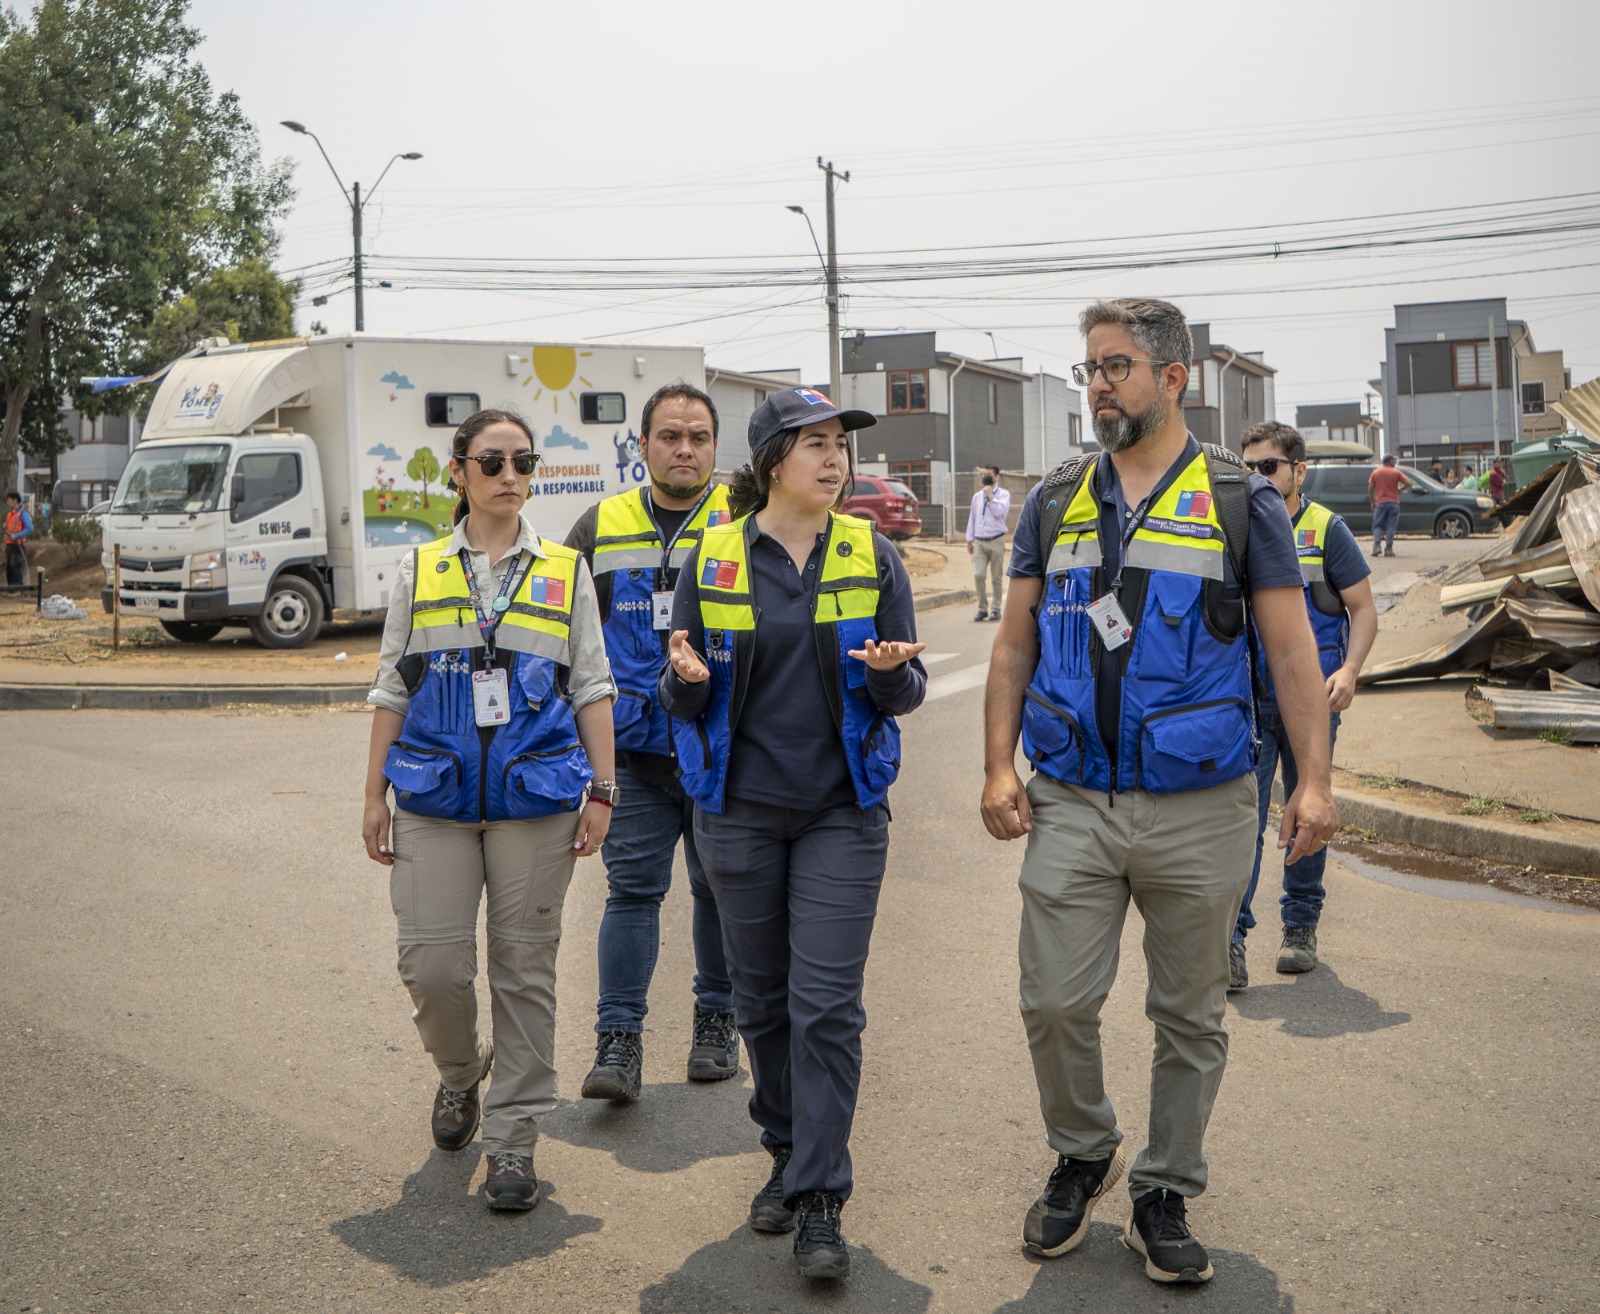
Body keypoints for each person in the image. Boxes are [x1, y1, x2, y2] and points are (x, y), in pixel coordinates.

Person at [981, 298, 1336, 1286]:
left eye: (1118, 366)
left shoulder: (1239, 500)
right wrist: (997, 765)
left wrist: (1314, 781)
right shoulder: (1053, 498)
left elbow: (1291, 648)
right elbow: (1010, 644)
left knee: (1189, 1015)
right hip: (1074, 800)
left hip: (1202, 804)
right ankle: (1083, 1149)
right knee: (1053, 1000)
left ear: (1173, 379)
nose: (1098, 383)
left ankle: (1164, 1187)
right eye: (1090, 366)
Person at [660, 387, 927, 1282]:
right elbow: (682, 688)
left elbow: (905, 687)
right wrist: (687, 680)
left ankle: (820, 1196)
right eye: (815, 444)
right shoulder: (714, 555)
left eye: (839, 447)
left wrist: (893, 678)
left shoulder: (872, 554)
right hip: (736, 812)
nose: (835, 459)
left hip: (840, 814)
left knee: (826, 1006)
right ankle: (782, 1146)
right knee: (763, 1003)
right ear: (774, 458)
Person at [362, 408, 617, 1212]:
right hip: (434, 796)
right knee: (432, 965)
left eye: (522, 462)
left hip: (535, 800)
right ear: (459, 472)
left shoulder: (567, 570)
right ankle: (459, 1076)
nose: (511, 476)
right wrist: (372, 793)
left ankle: (513, 1144)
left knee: (524, 971)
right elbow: (390, 685)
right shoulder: (421, 567)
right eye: (493, 462)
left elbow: (593, 685)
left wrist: (602, 791)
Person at [564, 381, 738, 1100]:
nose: (685, 449)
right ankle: (618, 1041)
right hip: (632, 752)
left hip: (722, 749)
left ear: (715, 447)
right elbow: (565, 640)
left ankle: (716, 1022)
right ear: (643, 447)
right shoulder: (599, 527)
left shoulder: (745, 519)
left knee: (719, 893)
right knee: (631, 893)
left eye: (698, 437)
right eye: (670, 436)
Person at [1230, 422, 1376, 989]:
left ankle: (1299, 927)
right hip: (1247, 704)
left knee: (1307, 820)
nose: (1257, 478)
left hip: (1313, 706)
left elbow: (1362, 609)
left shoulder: (1325, 530)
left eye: (1268, 468)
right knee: (1241, 825)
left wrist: (1350, 670)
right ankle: (1232, 940)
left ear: (1298, 472)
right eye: (1249, 468)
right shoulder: (1235, 527)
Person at [967, 462, 1010, 621]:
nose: (985, 477)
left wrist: (991, 496)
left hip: (996, 540)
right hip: (979, 542)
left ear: (996, 477)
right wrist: (969, 540)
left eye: (988, 475)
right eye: (983, 474)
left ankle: (996, 609)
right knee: (978, 575)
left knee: (996, 577)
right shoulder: (977, 497)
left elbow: (1000, 513)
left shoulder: (1003, 495)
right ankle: (982, 608)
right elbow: (972, 518)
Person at [1367, 454, 1410, 557]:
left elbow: (1370, 488)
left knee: (1377, 525)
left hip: (1380, 503)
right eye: (1393, 461)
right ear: (1388, 461)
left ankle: (1376, 546)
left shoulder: (1376, 472)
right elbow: (1408, 482)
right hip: (1393, 503)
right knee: (1390, 526)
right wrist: (1400, 490)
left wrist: (1372, 502)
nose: (1395, 462)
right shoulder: (1396, 472)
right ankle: (1388, 549)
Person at [4, 492, 33, 587]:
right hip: (9, 545)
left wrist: (17, 536)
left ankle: (17, 587)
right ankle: (11, 588)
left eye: (9, 500)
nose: (8, 502)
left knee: (16, 566)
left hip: (17, 546)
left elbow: (30, 528)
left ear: (15, 500)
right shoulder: (11, 514)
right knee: (9, 567)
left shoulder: (22, 514)